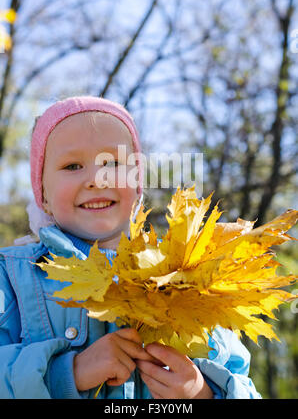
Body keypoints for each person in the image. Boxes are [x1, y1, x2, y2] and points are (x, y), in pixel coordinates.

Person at [0, 96, 261, 399]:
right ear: (42, 194)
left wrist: (203, 393)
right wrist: (67, 374)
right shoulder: (13, 278)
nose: (97, 179)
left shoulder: (188, 278)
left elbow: (244, 383)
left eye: (112, 163)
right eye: (73, 165)